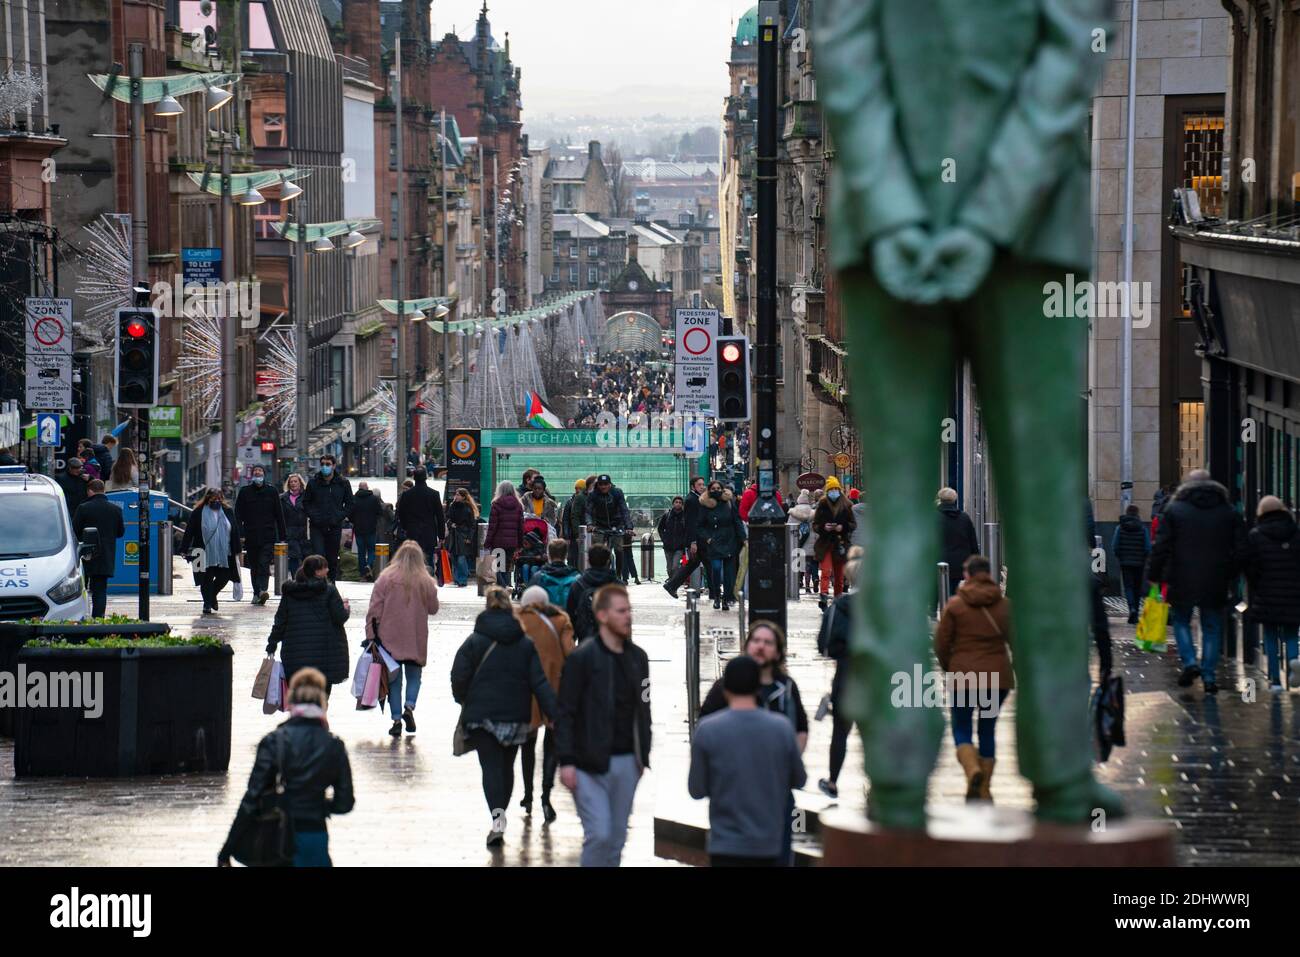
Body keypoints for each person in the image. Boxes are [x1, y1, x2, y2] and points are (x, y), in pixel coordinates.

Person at [450, 586, 559, 846]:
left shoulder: (474, 641)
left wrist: (464, 698)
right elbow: (539, 682)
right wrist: (553, 713)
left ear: (487, 606)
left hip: (481, 716)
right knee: (507, 767)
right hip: (515, 715)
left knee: (490, 767)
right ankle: (502, 812)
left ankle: (497, 817)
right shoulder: (524, 643)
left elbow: (458, 676)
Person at [556, 584, 651, 867]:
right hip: (588, 763)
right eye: (621, 611)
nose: (628, 616)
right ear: (602, 615)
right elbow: (565, 711)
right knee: (599, 833)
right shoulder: (581, 659)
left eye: (629, 610)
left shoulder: (638, 658)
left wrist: (641, 754)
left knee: (617, 838)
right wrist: (567, 761)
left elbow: (644, 709)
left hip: (626, 761)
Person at [219, 667, 354, 867]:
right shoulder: (333, 745)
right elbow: (345, 803)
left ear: (291, 701)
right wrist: (318, 805)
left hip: (277, 837)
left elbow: (252, 798)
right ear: (322, 702)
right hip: (314, 835)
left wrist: (227, 850)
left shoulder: (274, 741)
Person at [699, 619, 808, 864]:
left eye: (768, 643)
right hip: (734, 789)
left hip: (775, 788)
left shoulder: (787, 688)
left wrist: (789, 760)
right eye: (756, 641)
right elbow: (704, 727)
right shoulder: (725, 688)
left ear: (778, 651)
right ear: (747, 646)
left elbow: (801, 728)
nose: (761, 647)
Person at [1147, 469, 1248, 696]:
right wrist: (1229, 572)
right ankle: (1209, 675)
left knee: (1181, 621)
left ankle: (1190, 661)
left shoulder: (1175, 510)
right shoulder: (1228, 511)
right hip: (1216, 577)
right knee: (1211, 626)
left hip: (1181, 576)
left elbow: (1161, 546)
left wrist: (1154, 574)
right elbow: (1242, 549)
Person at [934, 555, 1014, 803]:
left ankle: (973, 772)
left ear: (967, 575)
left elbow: (941, 644)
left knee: (961, 728)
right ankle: (983, 788)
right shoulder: (1005, 606)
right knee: (988, 730)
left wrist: (951, 668)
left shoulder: (955, 605)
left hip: (963, 677)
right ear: (988, 574)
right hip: (997, 679)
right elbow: (1017, 642)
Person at [516, 584, 575, 822]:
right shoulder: (561, 620)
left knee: (527, 744)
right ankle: (545, 795)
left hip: (526, 689)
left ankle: (528, 794)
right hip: (555, 690)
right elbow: (571, 653)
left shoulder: (518, 620)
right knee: (552, 744)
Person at [367, 540, 439, 735]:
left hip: (389, 638)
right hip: (415, 637)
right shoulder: (425, 581)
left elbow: (374, 610)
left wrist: (370, 635)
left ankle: (397, 719)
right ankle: (410, 706)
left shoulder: (385, 578)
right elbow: (433, 609)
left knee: (393, 681)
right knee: (414, 676)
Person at [266, 554, 351, 693]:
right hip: (325, 657)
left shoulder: (290, 593)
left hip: (294, 656)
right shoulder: (329, 591)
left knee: (299, 696)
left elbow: (280, 621)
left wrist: (272, 644)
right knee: (322, 696)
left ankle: (301, 713)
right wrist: (346, 609)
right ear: (317, 572)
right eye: (325, 568)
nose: (328, 570)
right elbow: (340, 617)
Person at [816, 549, 861, 799]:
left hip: (846, 678)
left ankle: (833, 781)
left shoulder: (840, 606)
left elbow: (825, 643)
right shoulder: (885, 607)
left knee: (840, 734)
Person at [1243, 496, 1300, 692]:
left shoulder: (1256, 535)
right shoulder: (1295, 533)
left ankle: (1275, 681)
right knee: (1292, 633)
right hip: (1293, 592)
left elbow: (1251, 567)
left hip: (1267, 593)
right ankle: (1294, 662)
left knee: (1270, 636)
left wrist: (1256, 586)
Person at [181, 487, 243, 614]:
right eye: (214, 498)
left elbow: (235, 530)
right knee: (206, 579)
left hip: (224, 553)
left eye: (219, 498)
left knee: (225, 577)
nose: (217, 501)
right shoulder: (198, 512)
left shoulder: (227, 511)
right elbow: (189, 531)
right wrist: (184, 549)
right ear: (207, 499)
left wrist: (237, 549)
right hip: (203, 552)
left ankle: (212, 595)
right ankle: (207, 604)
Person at [72, 479, 125, 618]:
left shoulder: (83, 508)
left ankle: (80, 615)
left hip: (85, 554)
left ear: (90, 491)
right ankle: (98, 618)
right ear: (103, 490)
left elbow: (74, 531)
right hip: (105, 555)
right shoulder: (116, 509)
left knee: (80, 588)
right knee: (100, 590)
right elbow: (120, 532)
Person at [235, 465, 286, 605]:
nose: (258, 474)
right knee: (255, 566)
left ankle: (263, 589)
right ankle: (256, 592)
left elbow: (279, 514)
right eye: (255, 472)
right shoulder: (244, 492)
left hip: (268, 535)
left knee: (264, 563)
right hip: (251, 535)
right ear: (252, 475)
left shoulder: (272, 491)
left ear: (264, 474)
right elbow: (238, 514)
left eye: (260, 472)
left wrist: (282, 535)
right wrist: (240, 533)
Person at [303, 454, 353, 582]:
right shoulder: (313, 483)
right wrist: (314, 516)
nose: (325, 467)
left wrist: (338, 517)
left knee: (332, 558)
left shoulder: (343, 483)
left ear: (334, 465)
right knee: (318, 556)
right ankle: (318, 582)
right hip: (317, 526)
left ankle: (331, 583)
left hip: (334, 525)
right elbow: (306, 502)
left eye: (328, 464)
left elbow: (350, 504)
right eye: (323, 464)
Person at [395, 468, 446, 577]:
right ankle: (428, 581)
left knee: (413, 558)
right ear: (426, 477)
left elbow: (401, 513)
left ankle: (414, 580)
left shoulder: (407, 494)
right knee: (428, 558)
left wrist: (405, 527)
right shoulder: (434, 494)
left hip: (412, 532)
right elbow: (440, 516)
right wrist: (441, 535)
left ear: (414, 478)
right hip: (429, 532)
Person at [566, 543, 622, 641]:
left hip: (585, 639)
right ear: (608, 561)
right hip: (611, 640)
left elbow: (571, 616)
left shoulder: (578, 584)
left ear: (588, 561)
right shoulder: (618, 585)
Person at [812, 477, 856, 601]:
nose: (834, 492)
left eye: (836, 489)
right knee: (825, 571)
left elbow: (853, 524)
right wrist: (823, 527)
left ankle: (837, 598)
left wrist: (843, 527)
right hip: (825, 543)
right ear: (827, 491)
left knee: (839, 575)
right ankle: (824, 595)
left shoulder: (847, 505)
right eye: (831, 489)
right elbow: (815, 525)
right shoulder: (822, 504)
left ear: (839, 490)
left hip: (840, 544)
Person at [585, 474, 632, 576]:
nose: (603, 487)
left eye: (606, 484)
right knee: (599, 552)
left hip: (617, 525)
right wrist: (589, 524)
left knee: (619, 550)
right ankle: (600, 574)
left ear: (610, 484)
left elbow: (624, 510)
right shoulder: (593, 494)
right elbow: (588, 511)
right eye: (601, 484)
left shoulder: (617, 493)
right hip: (600, 526)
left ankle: (619, 575)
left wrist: (628, 527)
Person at [1111, 504, 1151, 624]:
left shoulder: (1120, 527)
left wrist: (1120, 556)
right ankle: (1136, 610)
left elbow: (1115, 545)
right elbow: (1148, 547)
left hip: (1125, 562)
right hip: (1139, 563)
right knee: (1137, 588)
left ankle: (1131, 609)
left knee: (1128, 586)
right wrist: (1143, 557)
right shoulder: (1143, 528)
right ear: (1137, 513)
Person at [937, 487, 979, 597]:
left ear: (940, 499)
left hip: (939, 562)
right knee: (954, 591)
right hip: (959, 563)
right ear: (955, 500)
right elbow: (973, 541)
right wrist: (976, 560)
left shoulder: (934, 517)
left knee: (938, 590)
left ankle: (935, 610)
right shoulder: (964, 518)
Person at [483, 480, 524, 589]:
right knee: (505, 568)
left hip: (498, 542)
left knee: (494, 567)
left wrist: (487, 543)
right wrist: (520, 544)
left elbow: (492, 527)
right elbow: (521, 527)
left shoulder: (496, 504)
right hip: (512, 543)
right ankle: (506, 590)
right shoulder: (518, 505)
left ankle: (504, 587)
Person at [349, 481, 385, 582]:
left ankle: (363, 575)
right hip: (371, 529)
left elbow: (349, 513)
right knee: (372, 550)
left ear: (359, 488)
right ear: (367, 488)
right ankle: (369, 565)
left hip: (358, 529)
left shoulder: (354, 499)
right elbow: (380, 512)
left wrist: (355, 521)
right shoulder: (374, 499)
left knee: (361, 552)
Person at [446, 487, 480, 587]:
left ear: (463, 497)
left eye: (458, 495)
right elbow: (447, 517)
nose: (455, 496)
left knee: (461, 558)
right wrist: (450, 524)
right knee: (454, 557)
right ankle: (457, 579)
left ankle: (463, 579)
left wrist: (469, 537)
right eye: (455, 494)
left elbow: (472, 525)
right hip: (454, 534)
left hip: (463, 535)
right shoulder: (452, 506)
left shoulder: (468, 507)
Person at [535, 538, 581, 609]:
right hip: (568, 618)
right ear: (566, 555)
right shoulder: (577, 577)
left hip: (546, 617)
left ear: (549, 555)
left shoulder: (538, 577)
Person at [281, 474, 310, 578]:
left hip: (304, 533)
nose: (293, 483)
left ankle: (307, 580)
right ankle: (296, 580)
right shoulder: (283, 498)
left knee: (306, 558)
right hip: (290, 533)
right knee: (294, 558)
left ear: (300, 483)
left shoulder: (307, 496)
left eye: (295, 481)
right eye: (291, 482)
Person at [789, 490, 818, 594]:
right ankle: (811, 582)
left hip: (798, 541)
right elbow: (816, 528)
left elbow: (789, 528)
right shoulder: (813, 512)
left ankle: (799, 581)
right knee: (810, 564)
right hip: (811, 542)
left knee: (799, 564)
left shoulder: (793, 512)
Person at [656, 496, 689, 574]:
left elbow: (688, 530)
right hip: (668, 546)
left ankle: (674, 583)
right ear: (673, 504)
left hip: (679, 547)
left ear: (682, 504)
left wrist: (684, 541)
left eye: (680, 503)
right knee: (669, 568)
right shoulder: (667, 515)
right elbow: (660, 528)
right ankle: (671, 582)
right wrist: (664, 539)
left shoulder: (685, 516)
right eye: (676, 502)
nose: (678, 504)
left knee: (675, 566)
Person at [561, 479, 588, 567]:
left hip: (583, 533)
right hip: (572, 535)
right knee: (572, 557)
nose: (577, 490)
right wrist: (566, 536)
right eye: (576, 488)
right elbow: (565, 520)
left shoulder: (585, 500)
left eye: (579, 488)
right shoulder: (570, 502)